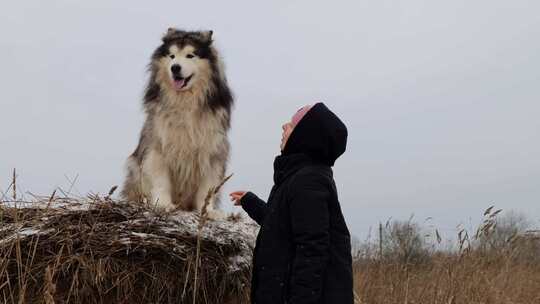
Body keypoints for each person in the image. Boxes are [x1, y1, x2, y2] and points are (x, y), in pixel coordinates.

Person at [229, 103, 353, 304]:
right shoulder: (297, 177)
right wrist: (250, 202)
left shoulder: (308, 181)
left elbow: (312, 251)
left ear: (305, 137)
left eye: (293, 124)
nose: (284, 126)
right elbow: (282, 225)